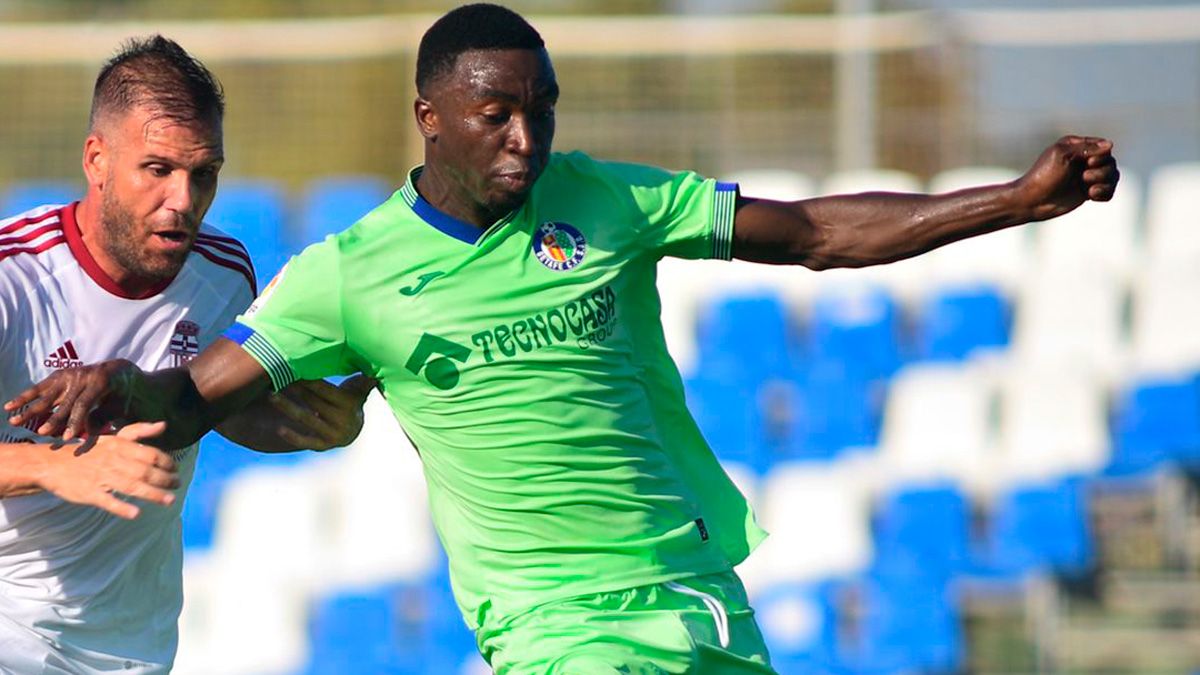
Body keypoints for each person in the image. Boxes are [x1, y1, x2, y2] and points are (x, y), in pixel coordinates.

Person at [9, 5, 1120, 673]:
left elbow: (818, 230)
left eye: (540, 107)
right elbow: (192, 394)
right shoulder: (346, 275)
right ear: (431, 117)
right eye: (496, 113)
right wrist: (121, 397)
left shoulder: (608, 201)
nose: (525, 137)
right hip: (559, 632)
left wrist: (1015, 202)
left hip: (700, 591)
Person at [0, 36, 372, 672]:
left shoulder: (224, 272)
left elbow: (214, 408)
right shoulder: (13, 275)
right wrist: (56, 468)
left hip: (133, 649)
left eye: (204, 174)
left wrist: (303, 426)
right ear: (96, 160)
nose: (183, 200)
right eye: (158, 169)